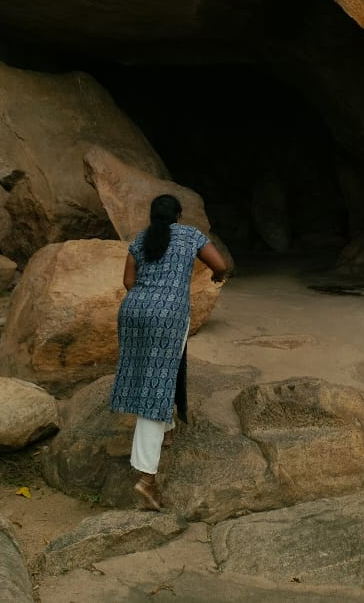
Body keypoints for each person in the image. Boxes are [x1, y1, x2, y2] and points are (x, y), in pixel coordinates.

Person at [111, 194, 228, 510]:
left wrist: (147, 299)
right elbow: (220, 265)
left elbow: (128, 281)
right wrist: (217, 277)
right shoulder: (190, 235)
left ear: (153, 216)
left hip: (133, 311)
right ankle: (146, 477)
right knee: (155, 387)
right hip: (168, 316)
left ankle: (168, 428)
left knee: (152, 372)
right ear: (178, 215)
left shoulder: (141, 239)